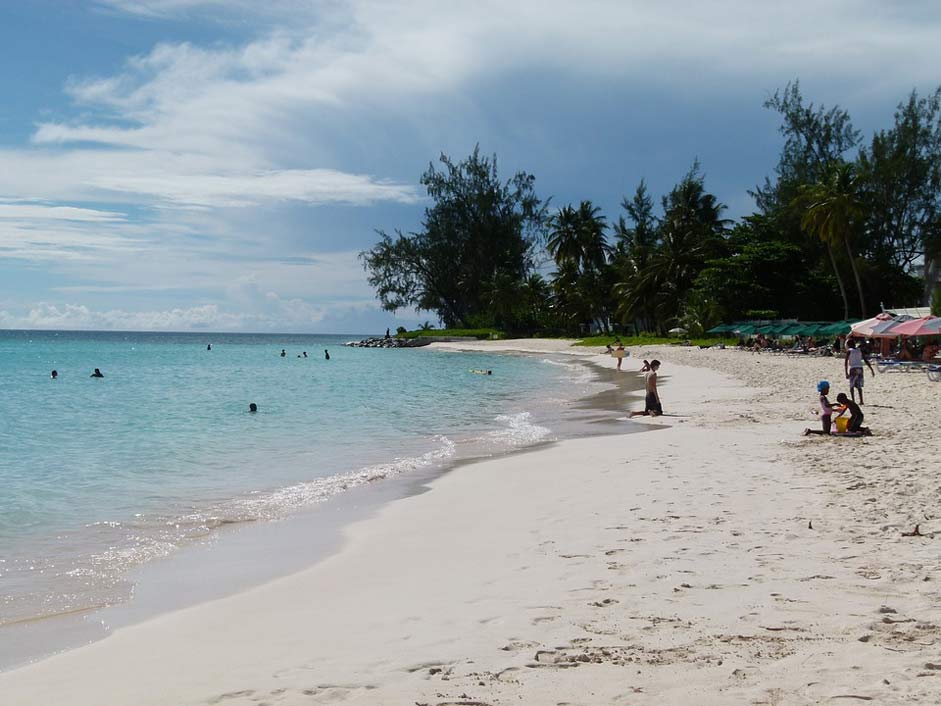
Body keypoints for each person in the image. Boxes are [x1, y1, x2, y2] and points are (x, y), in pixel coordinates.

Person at [844, 339, 874, 404]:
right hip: (860, 368)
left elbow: (846, 362)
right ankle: (861, 401)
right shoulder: (859, 350)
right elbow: (866, 360)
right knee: (859, 386)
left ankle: (853, 401)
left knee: (851, 386)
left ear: (848, 345)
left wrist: (846, 372)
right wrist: (871, 369)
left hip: (853, 369)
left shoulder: (849, 351)